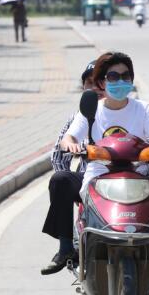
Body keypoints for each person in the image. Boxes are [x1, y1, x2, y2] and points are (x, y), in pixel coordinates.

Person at [48, 52, 149, 275]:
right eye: (113, 77)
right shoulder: (91, 110)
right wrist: (71, 145)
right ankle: (65, 248)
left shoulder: (142, 109)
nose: (120, 81)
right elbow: (69, 137)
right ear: (102, 82)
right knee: (60, 180)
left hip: (138, 175)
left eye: (125, 76)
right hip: (97, 176)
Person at [41, 59, 105, 275]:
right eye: (90, 82)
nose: (96, 88)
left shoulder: (130, 110)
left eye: (102, 81)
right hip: (89, 182)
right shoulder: (78, 117)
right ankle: (65, 247)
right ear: (83, 87)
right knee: (59, 181)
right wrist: (66, 174)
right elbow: (60, 153)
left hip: (128, 181)